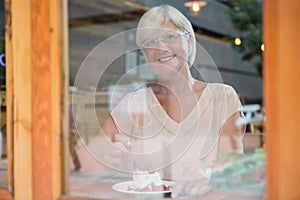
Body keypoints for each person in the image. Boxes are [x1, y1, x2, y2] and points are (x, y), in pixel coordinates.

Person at [76, 4, 246, 198]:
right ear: (145, 55)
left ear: (189, 41)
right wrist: (110, 160)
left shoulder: (222, 97)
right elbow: (86, 162)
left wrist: (210, 175)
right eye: (151, 43)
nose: (161, 48)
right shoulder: (133, 103)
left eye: (170, 37)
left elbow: (234, 169)